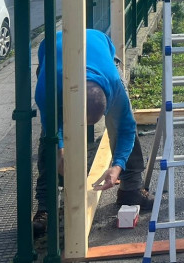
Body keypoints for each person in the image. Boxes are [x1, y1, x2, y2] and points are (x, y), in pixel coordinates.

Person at [31, 29, 154, 238]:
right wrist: (59, 149)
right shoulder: (47, 90)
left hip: (100, 48)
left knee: (126, 123)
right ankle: (46, 206)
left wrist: (117, 166)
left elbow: (125, 128)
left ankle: (131, 188)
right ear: (67, 106)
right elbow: (53, 128)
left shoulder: (114, 87)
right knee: (48, 139)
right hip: (53, 52)